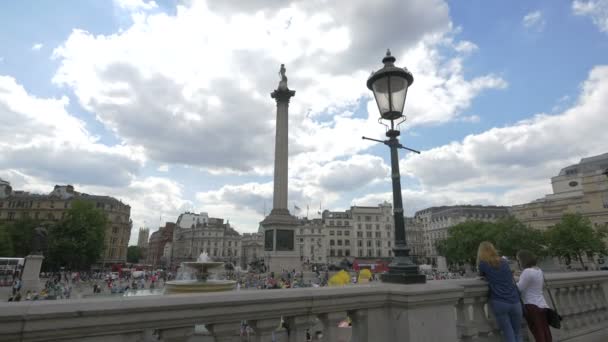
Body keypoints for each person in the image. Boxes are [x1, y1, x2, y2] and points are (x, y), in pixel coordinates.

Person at [477, 241, 522, 342]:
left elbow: (481, 275)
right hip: (515, 301)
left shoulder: (483, 264)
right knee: (517, 332)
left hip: (499, 301)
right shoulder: (504, 261)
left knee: (508, 331)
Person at [517, 250, 552, 342]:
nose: (518, 262)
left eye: (518, 260)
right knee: (545, 330)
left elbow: (519, 288)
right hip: (542, 304)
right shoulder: (539, 270)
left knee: (537, 331)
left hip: (531, 305)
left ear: (523, 260)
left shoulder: (527, 272)